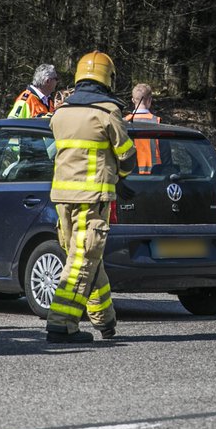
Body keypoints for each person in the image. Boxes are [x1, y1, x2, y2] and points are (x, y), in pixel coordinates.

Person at [44, 51, 136, 344]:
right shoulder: (107, 112)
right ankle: (61, 324)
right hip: (92, 197)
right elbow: (127, 156)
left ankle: (105, 320)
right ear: (108, 78)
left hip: (61, 198)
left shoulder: (60, 113)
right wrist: (121, 175)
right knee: (83, 261)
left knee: (86, 258)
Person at [125, 82, 163, 174]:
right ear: (150, 100)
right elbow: (165, 152)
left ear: (133, 100)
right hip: (154, 175)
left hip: (129, 175)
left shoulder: (123, 122)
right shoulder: (157, 122)